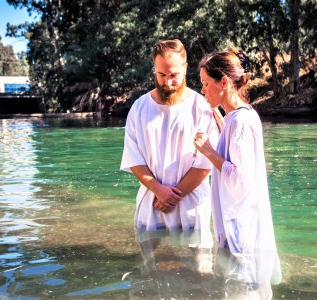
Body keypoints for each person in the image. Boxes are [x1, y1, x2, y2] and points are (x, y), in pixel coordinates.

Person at [194, 48, 282, 298]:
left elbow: (240, 180)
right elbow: (236, 154)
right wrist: (220, 118)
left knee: (240, 290)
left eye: (205, 84)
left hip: (241, 232)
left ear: (224, 82)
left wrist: (209, 151)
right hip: (246, 226)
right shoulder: (243, 116)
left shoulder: (239, 122)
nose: (202, 90)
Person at [120, 39, 218, 253]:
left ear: (185, 68)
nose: (167, 82)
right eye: (161, 75)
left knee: (200, 273)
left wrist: (173, 195)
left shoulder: (201, 107)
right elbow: (133, 159)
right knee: (150, 275)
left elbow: (205, 164)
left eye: (173, 75)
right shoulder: (139, 107)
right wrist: (159, 191)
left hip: (191, 205)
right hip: (151, 203)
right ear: (154, 70)